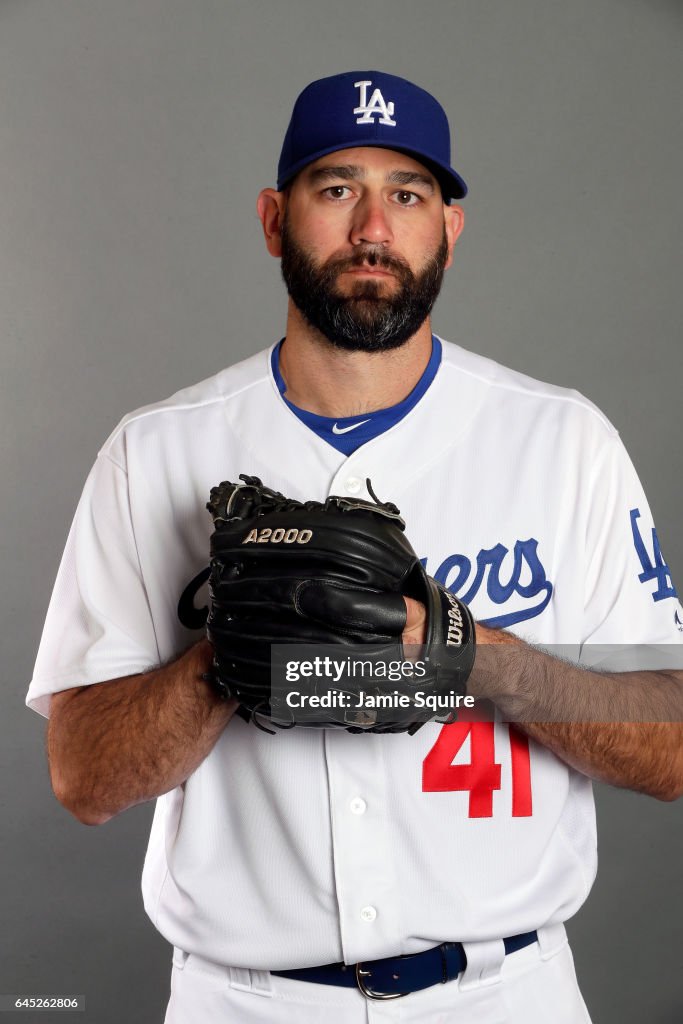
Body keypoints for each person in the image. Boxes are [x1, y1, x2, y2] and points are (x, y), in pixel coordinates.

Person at [27, 70, 683, 1024]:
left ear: (448, 230)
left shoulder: (561, 440)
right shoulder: (155, 450)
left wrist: (461, 653)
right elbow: (81, 778)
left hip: (506, 996)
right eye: (336, 189)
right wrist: (229, 660)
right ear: (272, 219)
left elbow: (669, 746)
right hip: (243, 1003)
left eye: (407, 195)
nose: (372, 228)